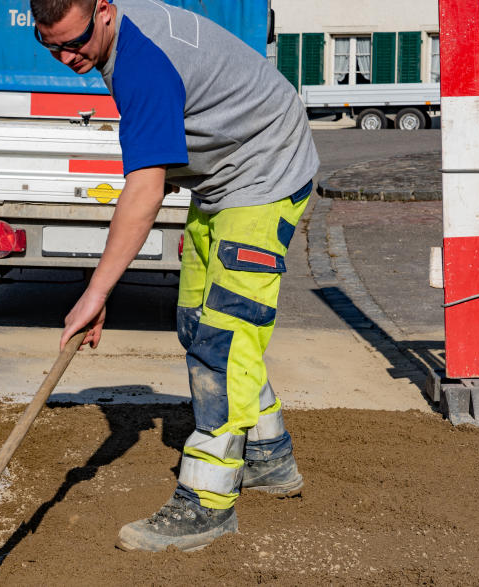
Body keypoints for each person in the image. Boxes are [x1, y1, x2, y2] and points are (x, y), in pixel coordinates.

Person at [32, 0, 320, 552]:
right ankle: (267, 457)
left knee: (226, 336)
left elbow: (145, 189)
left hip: (265, 173)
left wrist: (96, 292)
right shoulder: (112, 40)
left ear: (105, 11)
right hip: (222, 180)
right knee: (196, 319)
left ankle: (207, 504)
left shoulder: (143, 63)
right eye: (52, 47)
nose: (68, 57)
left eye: (76, 41)